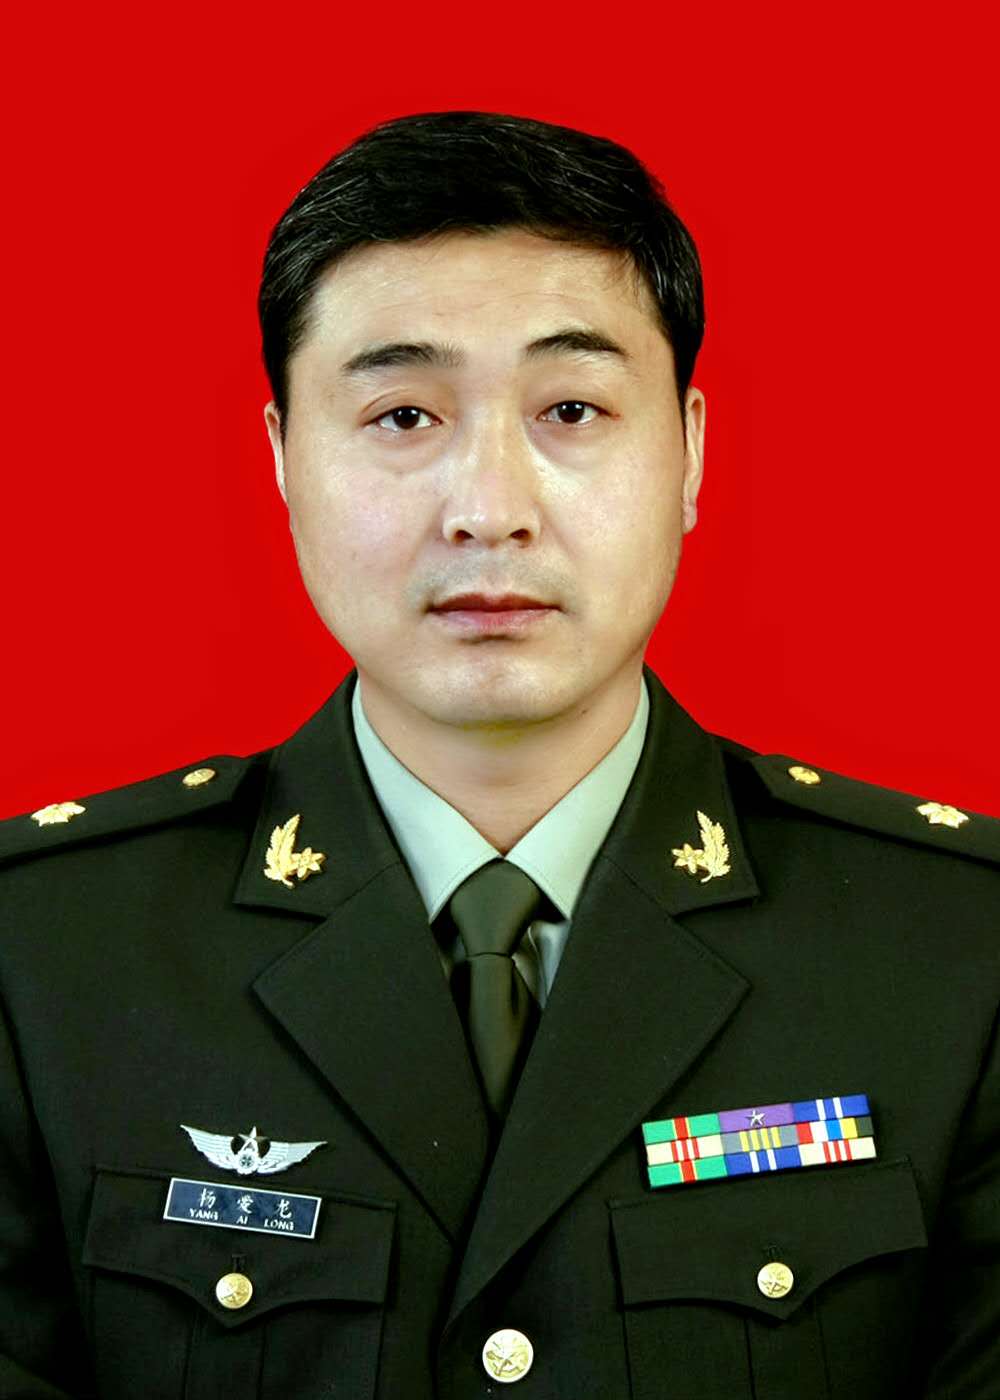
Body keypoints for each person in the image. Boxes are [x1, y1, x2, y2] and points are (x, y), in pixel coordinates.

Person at [0, 110, 997, 1400]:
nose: (488, 509)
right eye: (404, 414)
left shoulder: (957, 952)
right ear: (283, 459)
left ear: (690, 451)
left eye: (571, 408)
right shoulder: (43, 958)